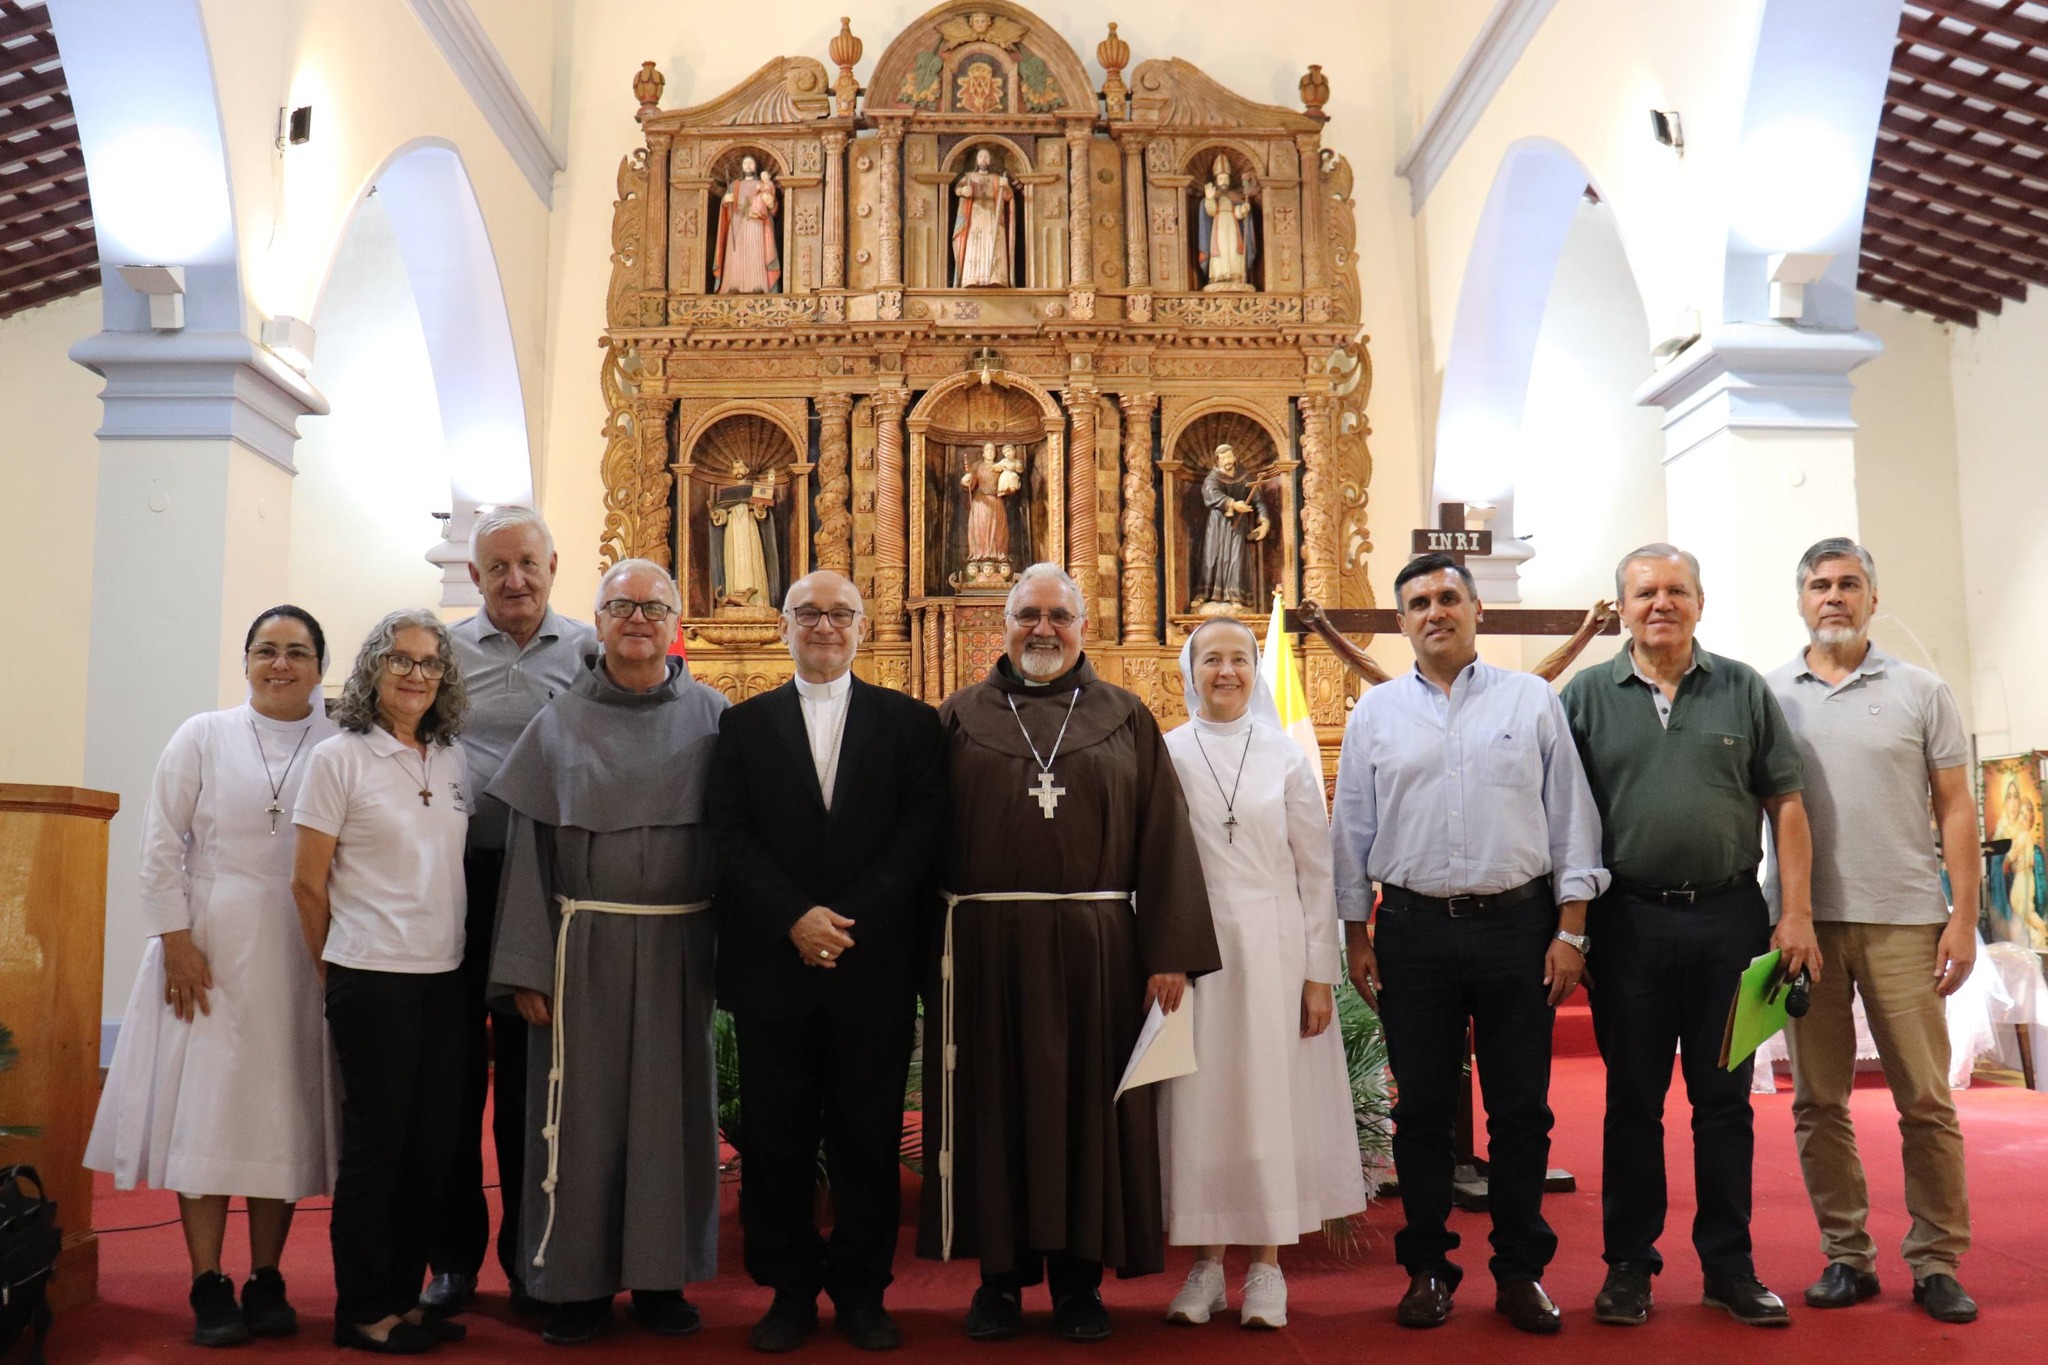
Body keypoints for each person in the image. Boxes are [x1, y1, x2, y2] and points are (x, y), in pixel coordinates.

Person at [914, 562, 1222, 1344]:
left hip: (1101, 954)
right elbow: (917, 846)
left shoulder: (1125, 717)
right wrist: (920, 956)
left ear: (1084, 626)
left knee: (1091, 1108)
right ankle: (1000, 1284)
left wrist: (1171, 951)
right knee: (996, 1108)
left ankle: (1082, 1283)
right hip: (985, 951)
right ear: (1004, 623)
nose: (1043, 629)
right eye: (1028, 615)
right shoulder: (955, 717)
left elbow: (1164, 837)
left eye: (1059, 615)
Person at [1331, 554, 1606, 1335]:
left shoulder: (1531, 700)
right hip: (1411, 931)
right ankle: (1427, 1267)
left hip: (1518, 929)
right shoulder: (1376, 714)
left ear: (1477, 609)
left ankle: (1520, 1271)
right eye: (1418, 601)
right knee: (1419, 1110)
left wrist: (1570, 931)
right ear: (1402, 622)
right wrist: (1357, 936)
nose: (1434, 610)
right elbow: (1351, 832)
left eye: (1449, 596)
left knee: (1521, 1110)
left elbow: (1571, 821)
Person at [1559, 543, 1821, 1329]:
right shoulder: (1585, 697)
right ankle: (1630, 1267)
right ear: (1622, 608)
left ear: (1699, 603)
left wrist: (1795, 909)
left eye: (1676, 590)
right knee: (1632, 1101)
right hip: (1626, 922)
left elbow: (1789, 805)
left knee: (1724, 1102)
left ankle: (1729, 1267)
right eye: (1644, 592)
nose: (1660, 603)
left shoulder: (1742, 688)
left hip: (1730, 921)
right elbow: (1559, 817)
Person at [487, 559, 727, 1346]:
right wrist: (525, 965)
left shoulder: (715, 716)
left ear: (674, 622)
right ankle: (577, 1286)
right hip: (578, 949)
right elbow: (528, 852)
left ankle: (661, 1280)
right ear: (596, 618)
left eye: (653, 606)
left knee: (670, 1114)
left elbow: (740, 848)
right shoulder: (558, 722)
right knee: (577, 1118)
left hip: (678, 946)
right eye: (620, 605)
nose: (637, 618)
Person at [87, 606, 341, 1348]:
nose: (280, 663)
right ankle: (207, 1278)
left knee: (277, 1114)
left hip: (301, 945)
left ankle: (266, 1276)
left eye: (297, 651)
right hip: (208, 945)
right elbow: (160, 842)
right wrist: (175, 938)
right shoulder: (202, 734)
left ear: (321, 664)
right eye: (266, 650)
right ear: (246, 660)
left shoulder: (340, 739)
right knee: (206, 1112)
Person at [711, 570, 948, 1353]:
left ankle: (860, 1291)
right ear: (783, 625)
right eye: (807, 612)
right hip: (773, 966)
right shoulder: (741, 727)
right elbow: (730, 835)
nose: (823, 625)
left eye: (838, 613)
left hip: (871, 964)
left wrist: (845, 923)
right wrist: (794, 917)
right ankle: (785, 1291)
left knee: (867, 1137)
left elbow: (918, 837)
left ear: (863, 625)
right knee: (775, 1139)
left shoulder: (911, 725)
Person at [1767, 538, 1980, 1325]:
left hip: (1907, 922)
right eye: (1819, 585)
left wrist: (1963, 915)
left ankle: (1936, 1260)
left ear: (1872, 598)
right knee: (1818, 1101)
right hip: (1804, 927)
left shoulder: (1922, 689)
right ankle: (1846, 1254)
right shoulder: (1770, 695)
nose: (1834, 596)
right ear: (1800, 600)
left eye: (1849, 583)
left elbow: (1956, 805)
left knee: (1924, 1098)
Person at [1157, 618, 1366, 1331]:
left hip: (1276, 948)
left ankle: (1269, 1265)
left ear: (1255, 669)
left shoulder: (1284, 755)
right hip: (1195, 952)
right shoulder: (1167, 751)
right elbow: (1151, 865)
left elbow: (1317, 871)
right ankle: (1208, 1265)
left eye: (1239, 659)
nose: (1226, 671)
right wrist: (1160, 953)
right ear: (1190, 669)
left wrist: (1318, 974)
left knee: (1268, 1104)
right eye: (1211, 658)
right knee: (1201, 1104)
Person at [427, 506, 596, 1317]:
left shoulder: (593, 650)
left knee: (536, 1081)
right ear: (473, 576)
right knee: (453, 1075)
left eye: (528, 563)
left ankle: (535, 1254)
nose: (515, 580)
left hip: (549, 887)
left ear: (555, 564)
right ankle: (453, 1258)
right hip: (453, 882)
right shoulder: (441, 653)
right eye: (497, 567)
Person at [292, 609, 473, 1354]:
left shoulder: (453, 756)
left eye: (430, 663)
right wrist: (334, 968)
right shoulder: (340, 757)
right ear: (372, 667)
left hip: (446, 977)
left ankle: (404, 1294)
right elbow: (307, 884)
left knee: (433, 1145)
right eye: (400, 659)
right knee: (378, 1148)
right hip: (372, 976)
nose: (415, 673)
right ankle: (364, 1308)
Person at [1191, 443, 1269, 610]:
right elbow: (1211, 492)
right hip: (1217, 524)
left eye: (1229, 456)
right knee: (1211, 558)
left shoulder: (1244, 477)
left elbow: (1258, 500)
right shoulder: (1213, 477)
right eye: (1222, 457)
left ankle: (1235, 595)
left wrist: (1264, 522)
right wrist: (1232, 504)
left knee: (1236, 558)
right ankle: (1203, 594)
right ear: (1218, 461)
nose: (1226, 460)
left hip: (1238, 525)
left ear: (1234, 458)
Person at [715, 154, 782, 294]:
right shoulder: (735, 185)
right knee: (735, 253)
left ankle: (758, 286)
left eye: (751, 164)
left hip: (756, 224)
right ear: (741, 167)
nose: (748, 167)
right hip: (737, 221)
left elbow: (772, 207)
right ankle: (733, 285)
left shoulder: (762, 185)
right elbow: (726, 207)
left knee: (755, 252)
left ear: (756, 166)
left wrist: (769, 203)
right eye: (745, 164)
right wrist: (725, 201)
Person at [951, 147, 1015, 287]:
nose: (983, 160)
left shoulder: (997, 178)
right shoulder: (969, 177)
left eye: (986, 157)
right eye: (981, 157)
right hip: (975, 214)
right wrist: (963, 191)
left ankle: (996, 276)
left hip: (994, 215)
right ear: (976, 160)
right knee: (974, 242)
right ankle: (972, 277)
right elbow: (957, 189)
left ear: (990, 161)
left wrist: (1006, 187)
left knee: (994, 241)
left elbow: (1007, 196)